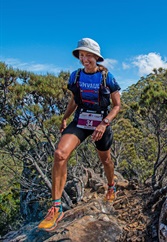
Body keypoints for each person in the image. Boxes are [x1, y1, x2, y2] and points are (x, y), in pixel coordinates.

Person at [38, 38, 121, 231]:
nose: (84, 59)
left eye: (88, 55)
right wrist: (65, 118)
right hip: (81, 120)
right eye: (81, 55)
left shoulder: (107, 77)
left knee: (105, 160)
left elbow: (117, 105)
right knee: (60, 154)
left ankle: (111, 186)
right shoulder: (76, 77)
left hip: (101, 121)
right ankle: (56, 208)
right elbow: (74, 101)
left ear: (96, 57)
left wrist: (104, 124)